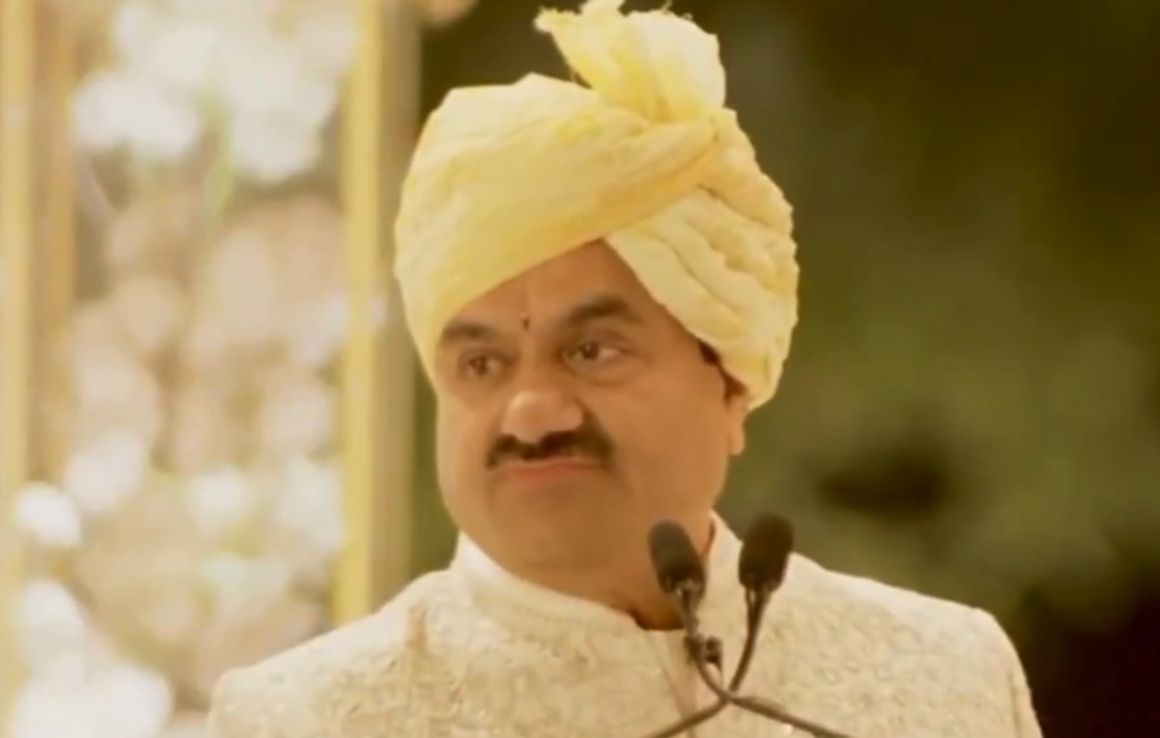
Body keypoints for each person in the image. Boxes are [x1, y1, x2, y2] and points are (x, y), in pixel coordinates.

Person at [208, 1, 1044, 736]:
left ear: (730, 384)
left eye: (592, 351)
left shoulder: (945, 677)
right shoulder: (299, 721)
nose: (531, 411)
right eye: (482, 363)